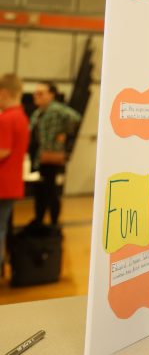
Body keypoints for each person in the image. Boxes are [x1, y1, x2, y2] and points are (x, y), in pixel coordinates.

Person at [29, 82, 80, 227]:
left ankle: (53, 223)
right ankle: (39, 220)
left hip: (51, 156)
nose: (36, 96)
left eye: (41, 93)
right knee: (40, 190)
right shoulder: (38, 112)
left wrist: (64, 133)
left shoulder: (57, 109)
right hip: (40, 156)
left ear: (51, 95)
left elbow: (75, 118)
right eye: (36, 93)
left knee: (50, 191)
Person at [0, 73, 30, 267]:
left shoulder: (6, 119)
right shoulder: (22, 117)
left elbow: (3, 151)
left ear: (4, 93)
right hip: (12, 184)